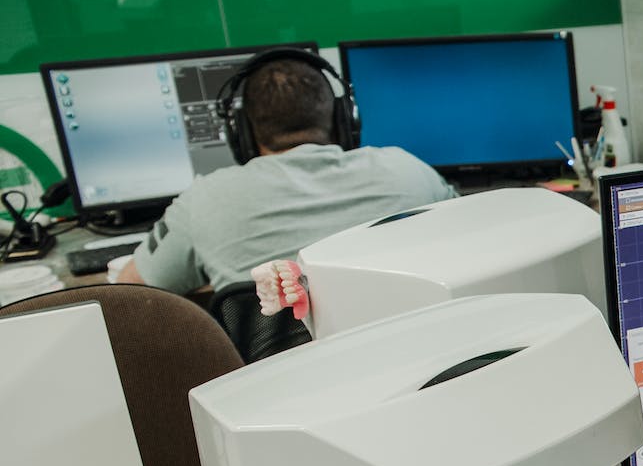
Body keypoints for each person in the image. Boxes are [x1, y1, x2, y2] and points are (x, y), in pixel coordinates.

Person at [118, 54, 453, 293]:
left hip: (286, 386)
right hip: (417, 369)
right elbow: (469, 237)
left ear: (242, 136)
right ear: (343, 121)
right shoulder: (408, 170)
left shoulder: (204, 200)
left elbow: (132, 289)